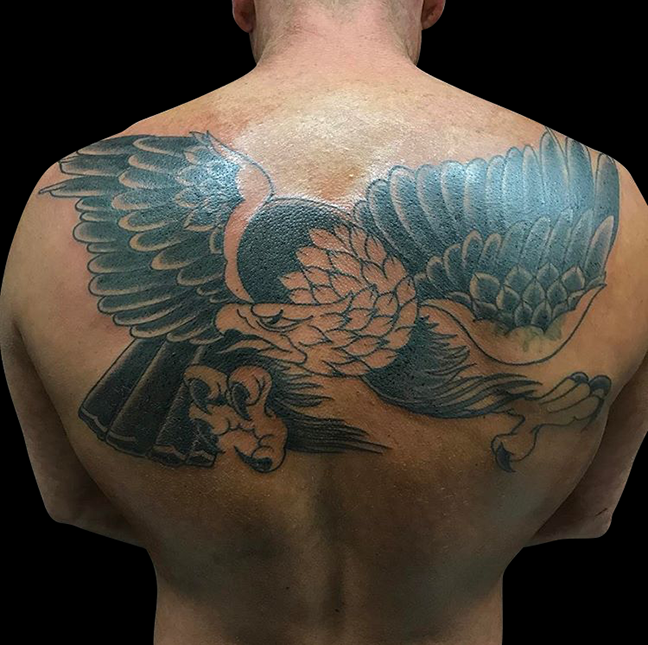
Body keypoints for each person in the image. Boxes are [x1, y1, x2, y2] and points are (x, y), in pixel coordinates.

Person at [2, 1, 646, 643]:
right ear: (431, 5)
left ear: (243, 7)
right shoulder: (616, 203)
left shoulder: (52, 206)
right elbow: (584, 513)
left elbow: (74, 501)